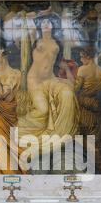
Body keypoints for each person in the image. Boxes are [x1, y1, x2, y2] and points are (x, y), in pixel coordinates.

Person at [17, 18, 79, 163]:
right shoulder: (35, 39)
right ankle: (24, 132)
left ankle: (58, 135)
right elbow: (28, 20)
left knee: (68, 93)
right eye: (43, 21)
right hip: (35, 80)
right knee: (43, 110)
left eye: (48, 21)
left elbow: (71, 44)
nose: (45, 23)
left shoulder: (58, 43)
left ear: (53, 25)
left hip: (50, 79)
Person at [60, 47, 101, 171]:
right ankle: (98, 165)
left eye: (81, 57)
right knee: (95, 137)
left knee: (81, 136)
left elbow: (75, 89)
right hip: (95, 107)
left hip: (83, 107)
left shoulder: (82, 69)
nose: (80, 60)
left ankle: (87, 165)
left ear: (88, 57)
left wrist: (64, 78)